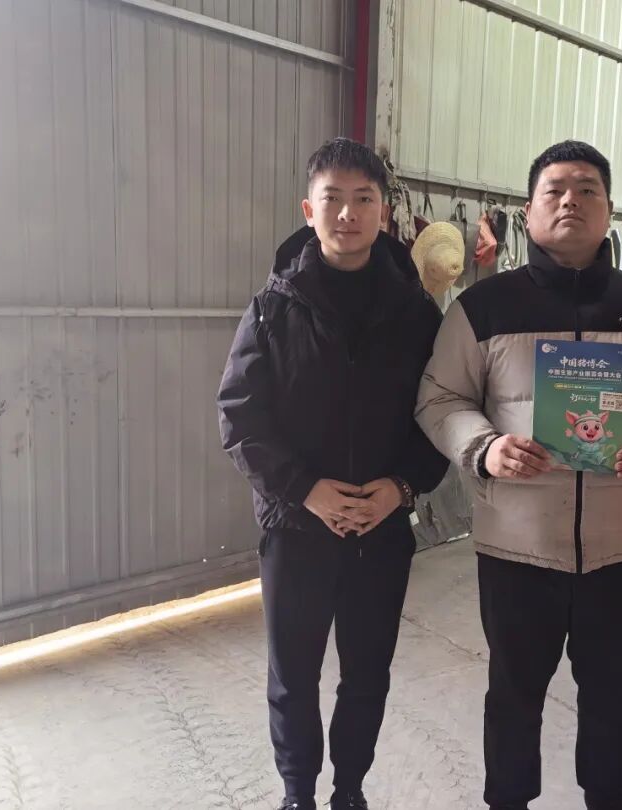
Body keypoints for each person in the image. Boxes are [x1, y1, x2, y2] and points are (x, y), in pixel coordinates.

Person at [415, 140, 622, 810]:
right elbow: (439, 399)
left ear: (609, 210)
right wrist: (485, 447)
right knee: (513, 696)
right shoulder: (483, 307)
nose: (570, 201)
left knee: (611, 696)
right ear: (528, 210)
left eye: (586, 190)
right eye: (554, 190)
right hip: (517, 550)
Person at [218, 137, 448, 810]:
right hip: (296, 529)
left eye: (363, 199)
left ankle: (349, 791)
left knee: (367, 673)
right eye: (334, 199)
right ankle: (298, 794)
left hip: (382, 530)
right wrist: (304, 490)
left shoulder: (417, 315)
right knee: (293, 674)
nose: (348, 213)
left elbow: (441, 412)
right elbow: (240, 416)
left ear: (384, 212)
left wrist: (401, 488)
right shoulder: (272, 308)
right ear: (308, 210)